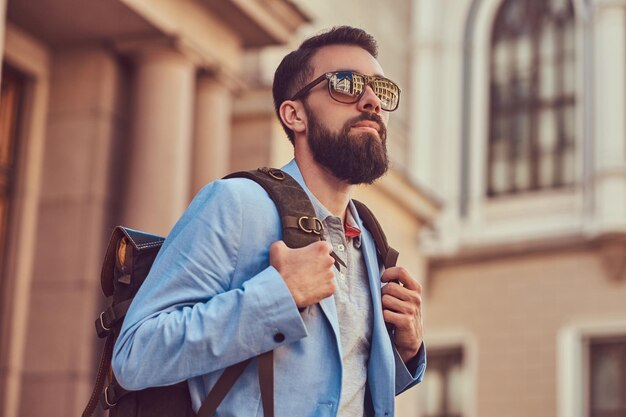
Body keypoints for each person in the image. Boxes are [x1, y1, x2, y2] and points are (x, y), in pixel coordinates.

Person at [112, 26, 425, 417]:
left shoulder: (371, 241)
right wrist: (278, 297)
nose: (371, 101)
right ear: (294, 115)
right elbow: (135, 355)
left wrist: (407, 351)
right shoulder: (236, 204)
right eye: (345, 84)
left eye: (381, 90)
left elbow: (336, 385)